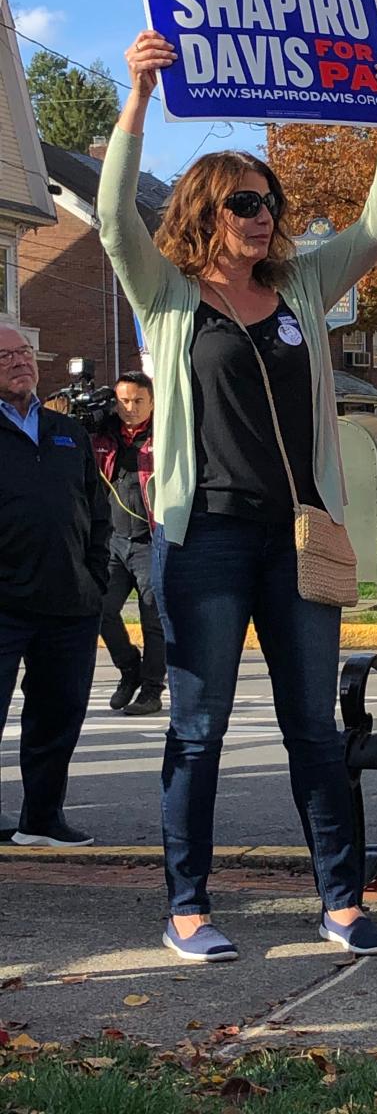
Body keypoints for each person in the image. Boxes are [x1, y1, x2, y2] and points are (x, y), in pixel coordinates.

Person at [98, 29, 377, 964]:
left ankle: (341, 902)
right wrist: (137, 99)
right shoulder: (168, 297)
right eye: (244, 203)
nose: (263, 215)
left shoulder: (306, 287)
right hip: (203, 544)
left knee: (313, 727)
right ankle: (188, 907)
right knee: (197, 730)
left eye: (269, 202)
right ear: (205, 211)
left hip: (298, 540)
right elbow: (114, 216)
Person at [0, 318, 110, 847]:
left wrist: (94, 581)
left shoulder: (69, 432)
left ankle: (42, 819)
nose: (21, 362)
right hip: (3, 605)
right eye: (6, 357)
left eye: (24, 353)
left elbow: (98, 513)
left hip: (69, 603)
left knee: (57, 717)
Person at [93, 370, 166, 716]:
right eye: (123, 401)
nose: (130, 408)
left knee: (153, 618)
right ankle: (129, 669)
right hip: (113, 541)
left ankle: (152, 690)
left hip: (150, 540)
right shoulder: (105, 434)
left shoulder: (163, 433)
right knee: (100, 609)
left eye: (138, 401)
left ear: (152, 401)